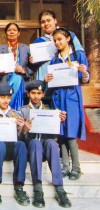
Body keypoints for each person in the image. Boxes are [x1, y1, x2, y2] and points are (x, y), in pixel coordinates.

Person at [18, 80, 72, 208]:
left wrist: (59, 122)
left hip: (45, 150)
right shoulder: (23, 111)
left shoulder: (50, 111)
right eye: (33, 93)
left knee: (52, 144)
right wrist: (24, 129)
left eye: (39, 93)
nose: (36, 96)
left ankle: (59, 188)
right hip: (32, 149)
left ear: (43, 95)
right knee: (36, 143)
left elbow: (54, 136)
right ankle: (38, 188)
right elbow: (18, 138)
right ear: (28, 94)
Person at [45, 27, 90, 180]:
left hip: (72, 96)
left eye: (60, 39)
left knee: (71, 132)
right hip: (58, 97)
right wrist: (48, 80)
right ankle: (65, 167)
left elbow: (86, 79)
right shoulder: (54, 60)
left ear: (68, 39)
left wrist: (84, 73)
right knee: (61, 133)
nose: (57, 42)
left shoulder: (78, 55)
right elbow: (50, 82)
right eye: (55, 40)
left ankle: (76, 168)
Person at [0, 82, 29, 206]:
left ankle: (19, 186)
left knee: (21, 145)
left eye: (8, 97)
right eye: (3, 97)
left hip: (10, 148)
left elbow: (21, 138)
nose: (6, 100)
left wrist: (22, 129)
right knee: (0, 144)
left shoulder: (15, 114)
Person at [31, 9, 84, 81]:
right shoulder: (38, 42)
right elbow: (33, 67)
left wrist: (82, 74)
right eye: (43, 22)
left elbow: (80, 53)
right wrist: (32, 61)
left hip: (67, 77)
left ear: (55, 20)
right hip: (45, 80)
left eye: (48, 20)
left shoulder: (69, 35)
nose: (46, 24)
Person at [0, 23, 32, 110]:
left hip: (21, 84)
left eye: (14, 30)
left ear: (18, 33)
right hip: (4, 83)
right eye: (9, 30)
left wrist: (23, 70)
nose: (12, 32)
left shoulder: (26, 48)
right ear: (6, 33)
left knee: (19, 111)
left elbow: (32, 67)